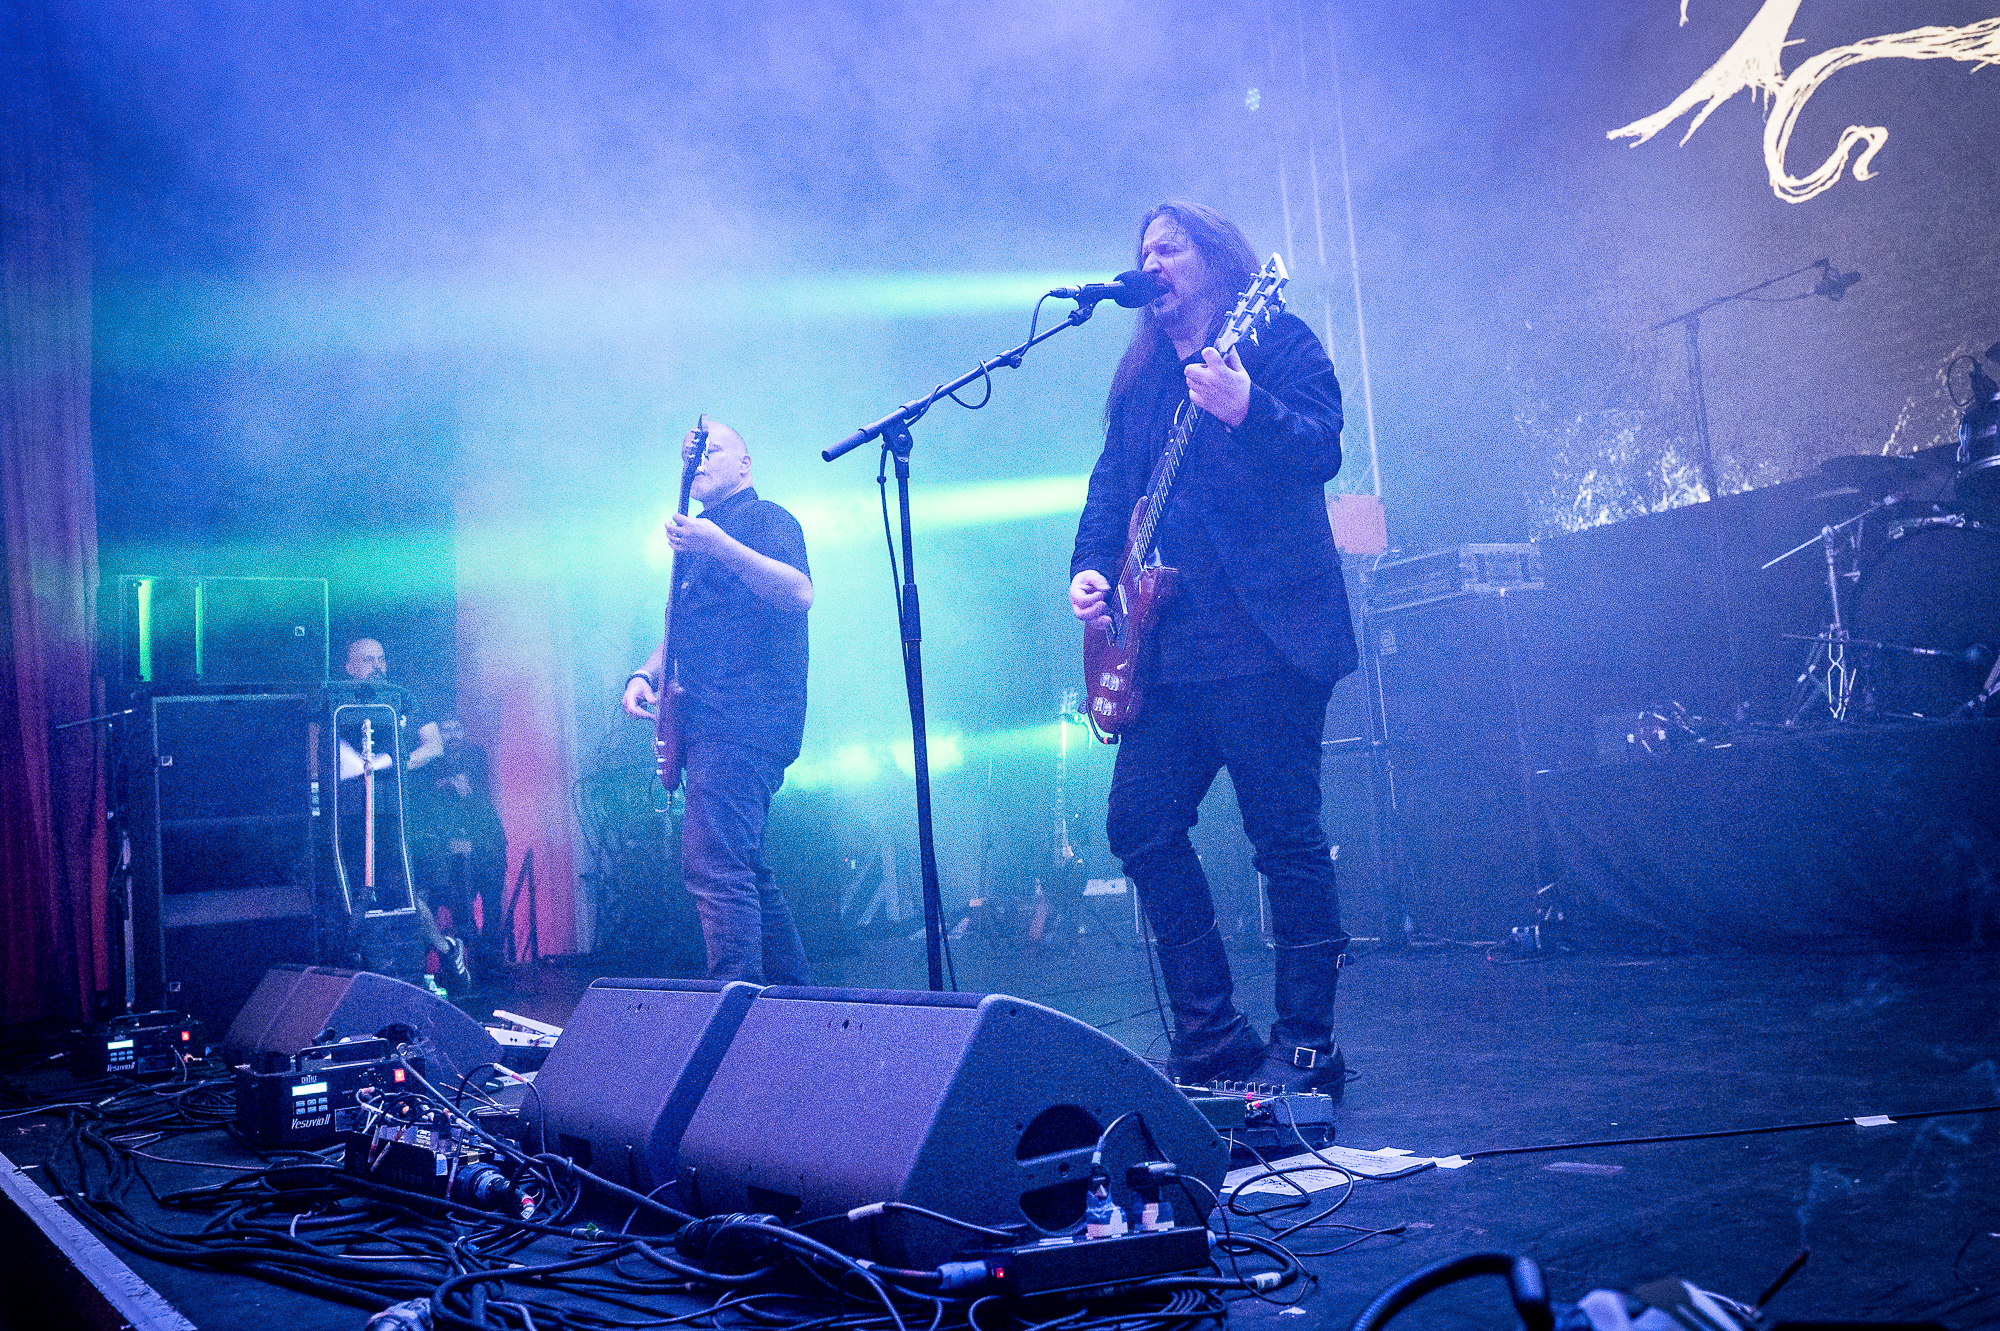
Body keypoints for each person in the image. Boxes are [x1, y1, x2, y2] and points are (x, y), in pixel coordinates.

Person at [1068, 201, 1357, 1096]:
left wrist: (1248, 407)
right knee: (1139, 821)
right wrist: (1090, 570)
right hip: (1171, 651)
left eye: (1169, 246)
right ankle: (1212, 1034)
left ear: (1216, 259)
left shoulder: (1274, 337)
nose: (1150, 261)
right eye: (1142, 249)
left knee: (1284, 840)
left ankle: (1306, 1043)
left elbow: (1323, 446)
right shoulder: (1141, 378)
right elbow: (1110, 487)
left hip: (1268, 638)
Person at [622, 420, 815, 985]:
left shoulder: (766, 518)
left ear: (745, 465)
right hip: (708, 720)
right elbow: (683, 625)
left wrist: (719, 545)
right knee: (740, 866)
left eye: (715, 450)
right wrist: (646, 673)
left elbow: (799, 592)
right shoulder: (698, 539)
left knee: (713, 866)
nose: (700, 459)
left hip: (746, 718)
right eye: (694, 453)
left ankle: (736, 1004)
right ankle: (798, 1000)